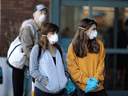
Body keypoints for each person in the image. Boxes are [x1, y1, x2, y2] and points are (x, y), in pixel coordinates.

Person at [67, 18, 108, 96]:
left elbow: (101, 65)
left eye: (95, 29)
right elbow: (73, 70)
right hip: (81, 89)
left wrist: (95, 80)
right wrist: (87, 81)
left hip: (97, 87)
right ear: (84, 31)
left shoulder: (99, 44)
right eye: (93, 29)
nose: (95, 32)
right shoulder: (73, 47)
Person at [30, 23, 68, 96]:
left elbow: (65, 68)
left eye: (56, 33)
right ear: (45, 34)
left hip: (61, 92)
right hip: (43, 91)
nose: (55, 35)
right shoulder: (37, 49)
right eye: (52, 33)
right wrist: (46, 82)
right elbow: (33, 70)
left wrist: (64, 79)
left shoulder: (59, 49)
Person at [19, 4, 48, 96]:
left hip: (44, 68)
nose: (43, 15)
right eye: (40, 12)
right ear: (34, 14)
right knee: (30, 92)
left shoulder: (46, 30)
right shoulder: (28, 29)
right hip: (31, 68)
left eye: (44, 13)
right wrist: (40, 59)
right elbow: (27, 50)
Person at [12, 18, 34, 96]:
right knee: (18, 91)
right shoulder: (17, 42)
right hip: (19, 68)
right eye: (25, 28)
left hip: (30, 68)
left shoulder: (35, 42)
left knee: (29, 91)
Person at [117, 19, 128, 90]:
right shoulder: (120, 33)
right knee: (120, 72)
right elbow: (117, 44)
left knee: (126, 72)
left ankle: (125, 86)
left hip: (126, 57)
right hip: (121, 56)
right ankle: (118, 85)